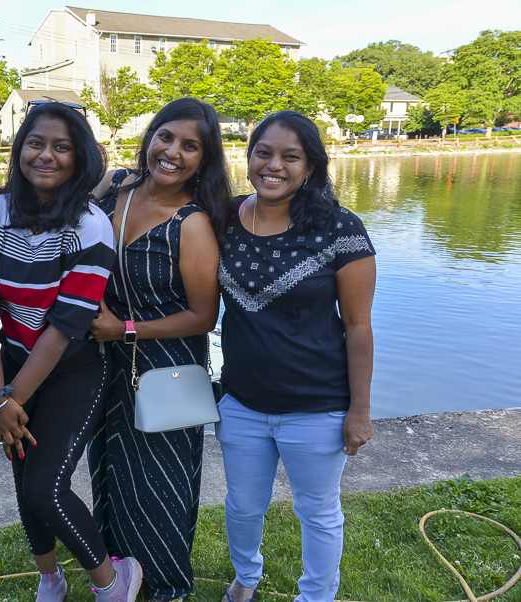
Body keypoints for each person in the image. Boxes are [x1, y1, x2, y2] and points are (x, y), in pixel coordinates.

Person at [0, 101, 143, 602]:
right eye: (36, 143)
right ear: (20, 149)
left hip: (73, 369)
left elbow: (63, 329)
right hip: (11, 365)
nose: (46, 155)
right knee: (24, 481)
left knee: (44, 486)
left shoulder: (91, 226)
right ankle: (50, 577)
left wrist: (8, 402)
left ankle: (113, 582)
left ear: (80, 158)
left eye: (62, 147)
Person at [215, 110, 376, 602]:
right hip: (242, 402)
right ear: (248, 158)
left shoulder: (340, 228)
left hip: (317, 407)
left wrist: (360, 411)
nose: (274, 166)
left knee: (318, 511)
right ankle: (245, 578)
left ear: (310, 166)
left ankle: (316, 596)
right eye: (263, 153)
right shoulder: (223, 218)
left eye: (291, 157)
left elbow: (358, 326)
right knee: (243, 506)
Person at [87, 97, 232, 601]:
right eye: (165, 137)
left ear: (204, 159)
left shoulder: (192, 222)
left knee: (158, 483)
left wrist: (124, 329)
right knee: (110, 468)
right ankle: (118, 574)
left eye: (190, 146)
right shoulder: (115, 189)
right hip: (104, 361)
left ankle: (167, 584)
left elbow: (203, 316)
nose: (172, 152)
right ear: (150, 137)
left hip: (165, 366)